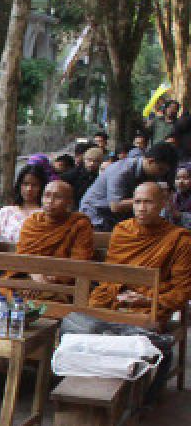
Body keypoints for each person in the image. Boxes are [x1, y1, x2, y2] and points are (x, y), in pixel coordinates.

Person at [89, 182, 191, 402]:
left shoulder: (179, 239)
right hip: (117, 297)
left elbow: (182, 289)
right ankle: (98, 389)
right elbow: (110, 275)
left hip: (150, 304)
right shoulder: (122, 230)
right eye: (137, 202)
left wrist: (146, 298)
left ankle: (136, 398)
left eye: (148, 202)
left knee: (138, 332)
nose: (142, 208)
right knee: (86, 321)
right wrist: (120, 292)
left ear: (163, 204)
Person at [79, 142, 179, 231]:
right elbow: (115, 206)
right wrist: (151, 199)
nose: (161, 174)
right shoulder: (121, 171)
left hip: (118, 217)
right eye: (160, 169)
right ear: (150, 161)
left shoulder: (150, 173)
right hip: (96, 217)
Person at [0, 164, 47, 243]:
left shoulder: (46, 214)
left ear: (42, 187)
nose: (29, 189)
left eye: (34, 185)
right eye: (25, 184)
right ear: (19, 185)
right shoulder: (6, 212)